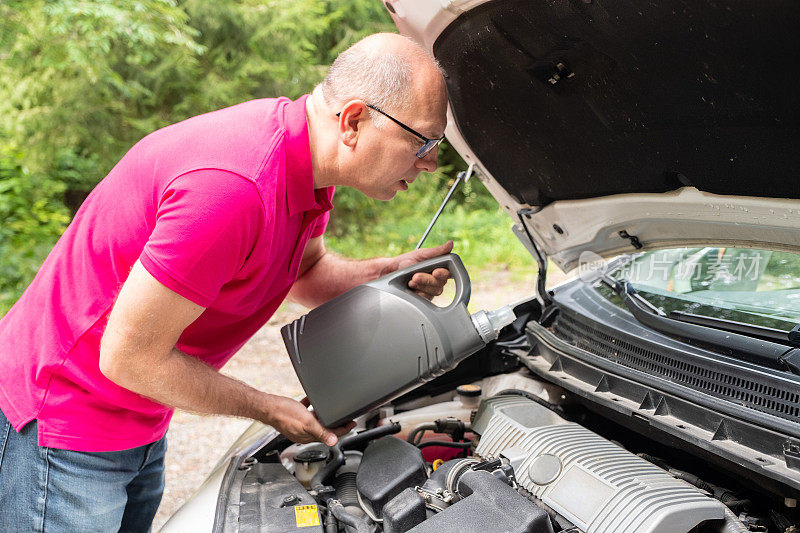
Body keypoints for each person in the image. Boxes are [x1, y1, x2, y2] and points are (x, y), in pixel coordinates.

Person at [0, 33, 451, 531]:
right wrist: (272, 410)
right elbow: (128, 356)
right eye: (423, 142)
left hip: (140, 412)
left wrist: (384, 276)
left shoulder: (305, 167)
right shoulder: (233, 189)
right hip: (65, 421)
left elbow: (304, 272)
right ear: (353, 121)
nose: (430, 162)